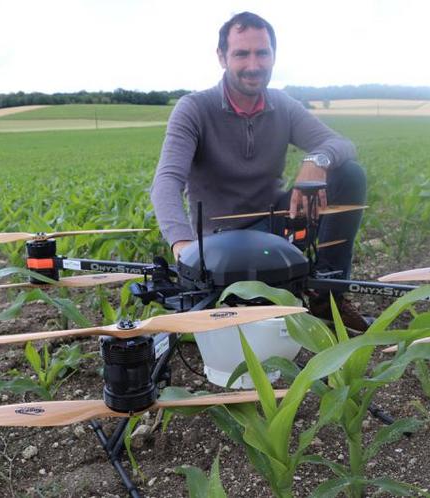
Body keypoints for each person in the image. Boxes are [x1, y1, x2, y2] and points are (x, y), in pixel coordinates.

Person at [151, 12, 369, 331]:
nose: (253, 65)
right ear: (222, 57)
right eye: (242, 53)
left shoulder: (283, 106)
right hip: (218, 240)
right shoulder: (195, 109)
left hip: (275, 226)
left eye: (262, 53)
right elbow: (166, 182)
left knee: (349, 175)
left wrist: (316, 162)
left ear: (273, 56)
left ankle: (327, 296)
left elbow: (340, 144)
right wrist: (184, 247)